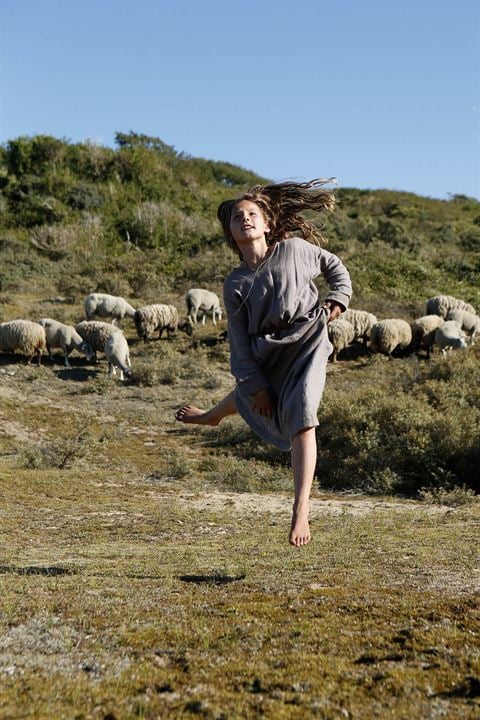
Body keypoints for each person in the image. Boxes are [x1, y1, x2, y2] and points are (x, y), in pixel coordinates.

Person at [176, 179, 352, 547]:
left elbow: (333, 265)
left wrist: (338, 297)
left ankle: (300, 508)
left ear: (268, 223)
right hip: (266, 348)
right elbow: (238, 343)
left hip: (309, 340)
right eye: (237, 217)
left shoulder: (294, 249)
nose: (246, 219)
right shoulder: (235, 282)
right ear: (230, 231)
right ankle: (214, 415)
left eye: (253, 214)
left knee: (303, 416)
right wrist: (255, 386)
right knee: (254, 390)